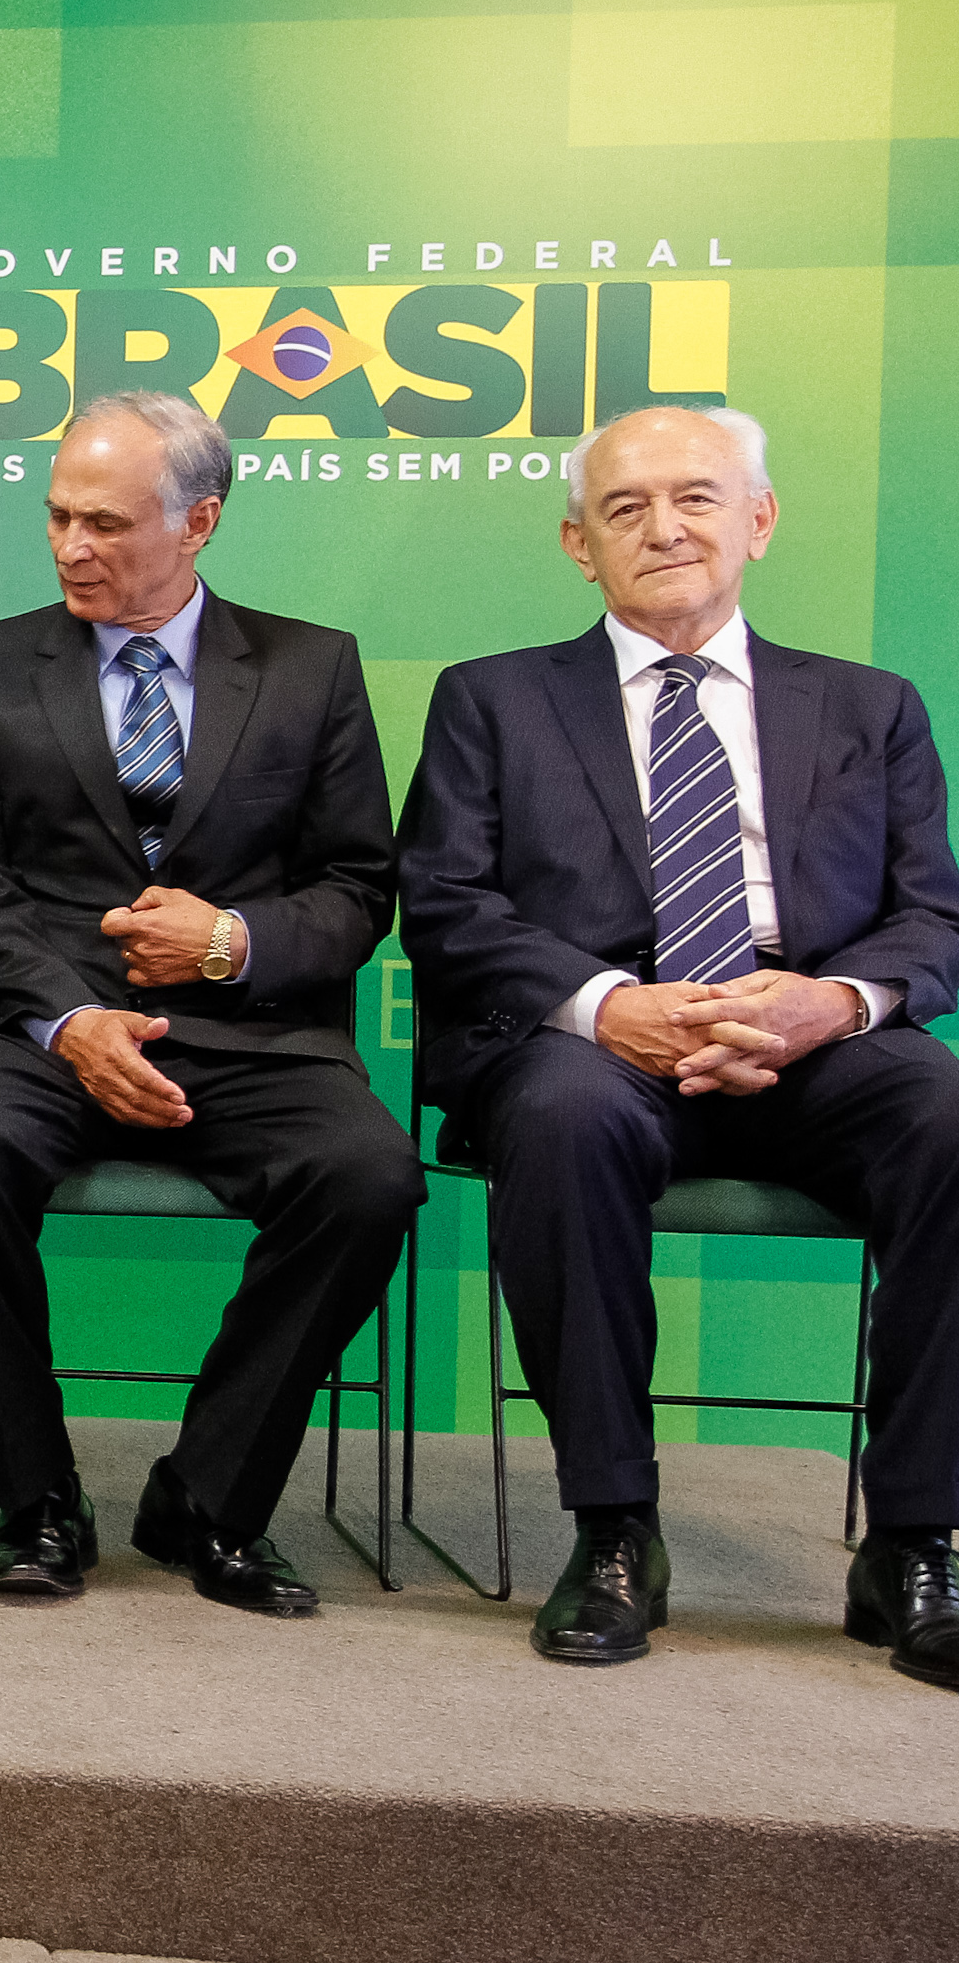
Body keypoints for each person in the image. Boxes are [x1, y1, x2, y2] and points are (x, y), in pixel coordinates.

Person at [398, 404, 959, 1685]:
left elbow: (931, 915)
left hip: (809, 1035)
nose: (663, 528)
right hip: (592, 1038)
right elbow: (444, 904)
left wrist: (828, 1003)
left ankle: (912, 1541)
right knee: (562, 1116)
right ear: (576, 544)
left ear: (757, 522)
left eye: (695, 497)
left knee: (946, 1118)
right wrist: (610, 1005)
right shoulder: (491, 699)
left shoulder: (869, 706)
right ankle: (613, 1529)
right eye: (624, 507)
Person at [0, 390, 418, 1618]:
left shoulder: (308, 668)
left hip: (248, 1029)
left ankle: (209, 1496)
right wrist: (68, 1021)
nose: (70, 547)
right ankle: (35, 1494)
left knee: (367, 1177)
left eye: (105, 524)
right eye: (56, 518)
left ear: (198, 521)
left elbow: (357, 887)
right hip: (38, 1027)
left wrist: (232, 941)